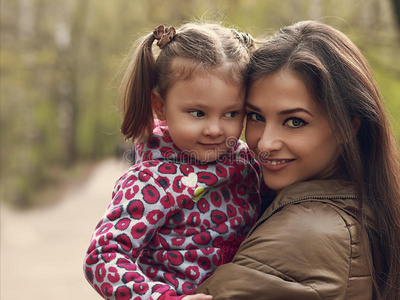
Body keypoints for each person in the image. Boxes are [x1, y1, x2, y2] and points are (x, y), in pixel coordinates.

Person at [195, 20, 400, 299]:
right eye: (256, 116)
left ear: (347, 128)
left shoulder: (306, 233)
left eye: (294, 121)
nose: (265, 143)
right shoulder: (367, 201)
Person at [83, 23, 263, 300]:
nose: (215, 129)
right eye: (197, 113)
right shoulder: (149, 181)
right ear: (159, 106)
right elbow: (102, 258)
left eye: (231, 114)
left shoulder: (246, 160)